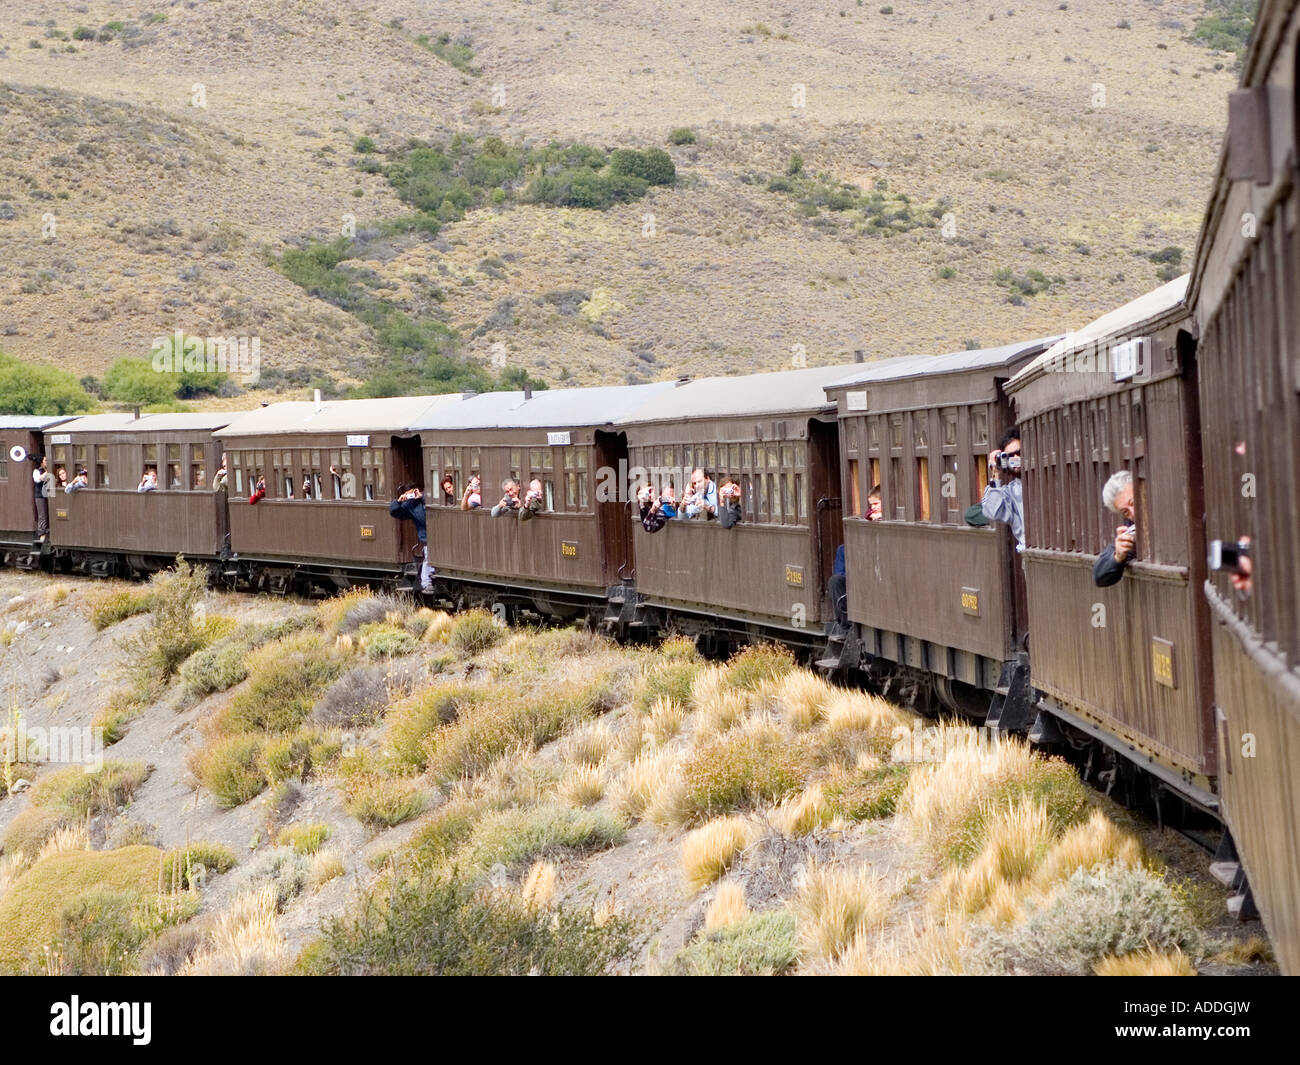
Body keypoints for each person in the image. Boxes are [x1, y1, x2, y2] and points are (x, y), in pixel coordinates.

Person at [981, 427, 1024, 551]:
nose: (1016, 458)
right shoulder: (1009, 492)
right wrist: (995, 473)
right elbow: (992, 512)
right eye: (1010, 456)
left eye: (1019, 453)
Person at [389, 483, 435, 593]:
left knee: (430, 558)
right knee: (429, 557)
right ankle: (426, 582)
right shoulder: (409, 505)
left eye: (411, 494)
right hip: (426, 536)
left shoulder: (427, 498)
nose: (410, 497)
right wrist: (398, 501)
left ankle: (428, 581)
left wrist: (422, 497)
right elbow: (395, 512)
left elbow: (433, 510)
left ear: (416, 490)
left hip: (436, 532)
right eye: (407, 495)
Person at [1094, 470, 1137, 587]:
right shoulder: (1132, 528)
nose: (1133, 513)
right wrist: (1117, 557)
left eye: (1133, 503)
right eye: (1125, 512)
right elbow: (1099, 576)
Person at [828, 542, 848, 630]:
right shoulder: (842, 549)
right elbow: (840, 572)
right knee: (835, 581)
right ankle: (844, 624)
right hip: (850, 585)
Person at [31, 455, 52, 540]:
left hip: (49, 495)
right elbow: (38, 479)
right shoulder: (37, 471)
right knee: (42, 514)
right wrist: (48, 471)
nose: (47, 462)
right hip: (40, 495)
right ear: (42, 462)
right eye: (45, 460)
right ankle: (42, 533)